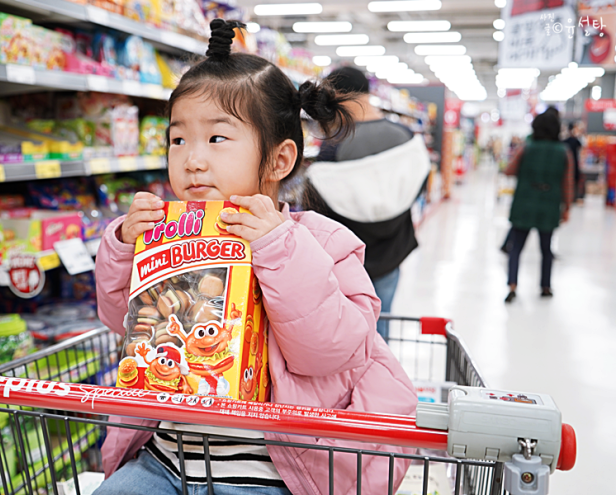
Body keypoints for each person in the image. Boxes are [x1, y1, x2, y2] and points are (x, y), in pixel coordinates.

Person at [93, 19, 417, 495]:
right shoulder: (164, 229)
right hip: (165, 457)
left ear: (278, 161)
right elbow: (121, 319)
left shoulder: (323, 241)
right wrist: (123, 245)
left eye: (217, 139)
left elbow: (330, 348)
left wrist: (278, 246)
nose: (192, 160)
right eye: (178, 139)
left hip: (272, 471)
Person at [303, 66, 430, 341]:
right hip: (395, 248)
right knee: (383, 321)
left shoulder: (335, 144)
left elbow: (319, 206)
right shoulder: (406, 137)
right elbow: (419, 185)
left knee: (350, 328)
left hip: (348, 257)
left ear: (338, 94)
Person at [504, 108, 574, 303]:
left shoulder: (527, 147)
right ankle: (545, 286)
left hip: (524, 200)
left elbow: (509, 170)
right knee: (546, 248)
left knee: (516, 247)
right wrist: (567, 207)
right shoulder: (564, 152)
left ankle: (512, 286)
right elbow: (567, 183)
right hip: (549, 203)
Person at [564, 122, 584, 204]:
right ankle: (572, 197)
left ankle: (571, 197)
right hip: (572, 163)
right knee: (572, 180)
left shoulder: (571, 140)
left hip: (571, 163)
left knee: (572, 179)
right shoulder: (571, 140)